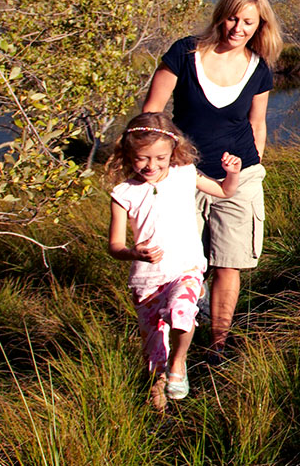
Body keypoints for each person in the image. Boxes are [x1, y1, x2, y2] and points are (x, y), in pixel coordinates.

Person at [141, 0, 278, 353]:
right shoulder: (184, 54)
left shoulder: (259, 68)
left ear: (259, 24)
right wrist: (160, 165)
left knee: (228, 265)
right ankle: (171, 350)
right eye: (233, 17)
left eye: (248, 21)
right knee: (180, 267)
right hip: (185, 177)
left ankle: (217, 345)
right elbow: (152, 115)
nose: (239, 28)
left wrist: (254, 162)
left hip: (241, 178)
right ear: (221, 15)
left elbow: (257, 122)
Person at [105, 112, 241, 410]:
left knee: (182, 313)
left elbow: (224, 191)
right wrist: (133, 252)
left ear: (173, 152)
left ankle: (179, 365)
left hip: (185, 268)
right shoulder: (123, 193)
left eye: (160, 158)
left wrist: (231, 173)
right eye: (142, 158)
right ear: (129, 154)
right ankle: (159, 406)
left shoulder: (185, 174)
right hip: (147, 280)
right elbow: (115, 246)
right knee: (154, 353)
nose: (151, 166)